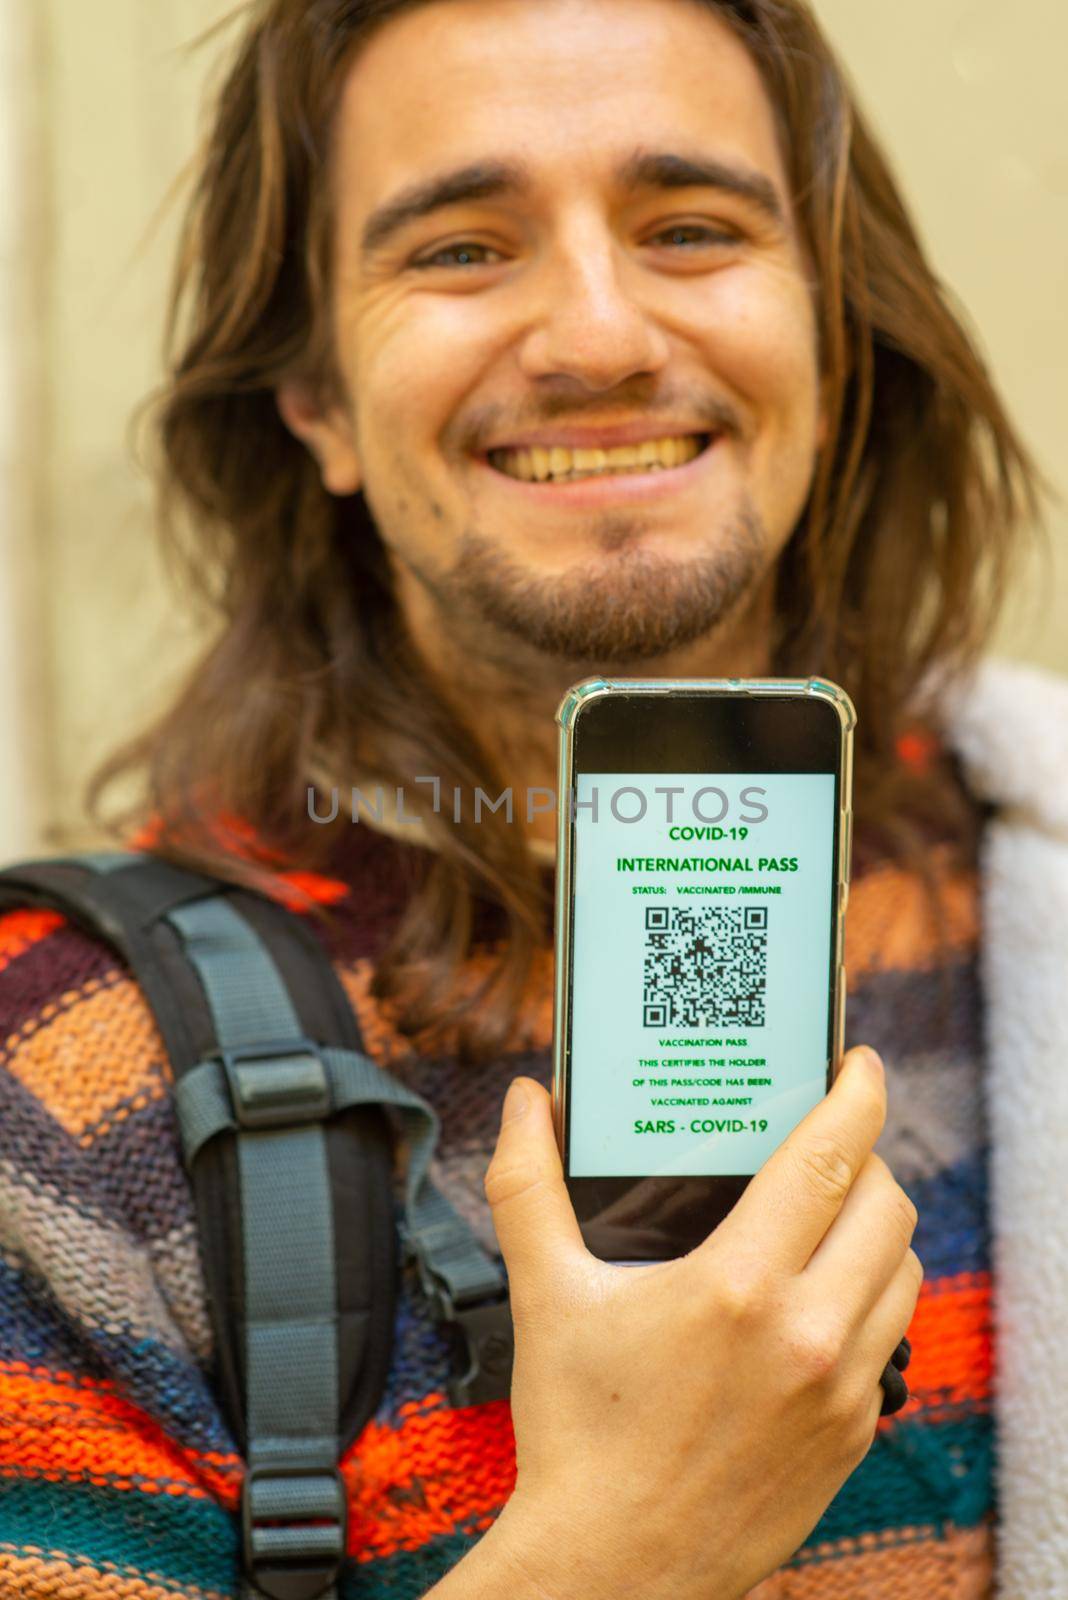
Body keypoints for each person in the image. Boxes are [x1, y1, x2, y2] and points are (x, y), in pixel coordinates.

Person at [1, 0, 1065, 1596]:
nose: (598, 338)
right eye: (460, 250)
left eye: (691, 228)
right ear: (317, 402)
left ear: (836, 333)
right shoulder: (74, 1077)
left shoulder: (1034, 925)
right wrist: (621, 1545)